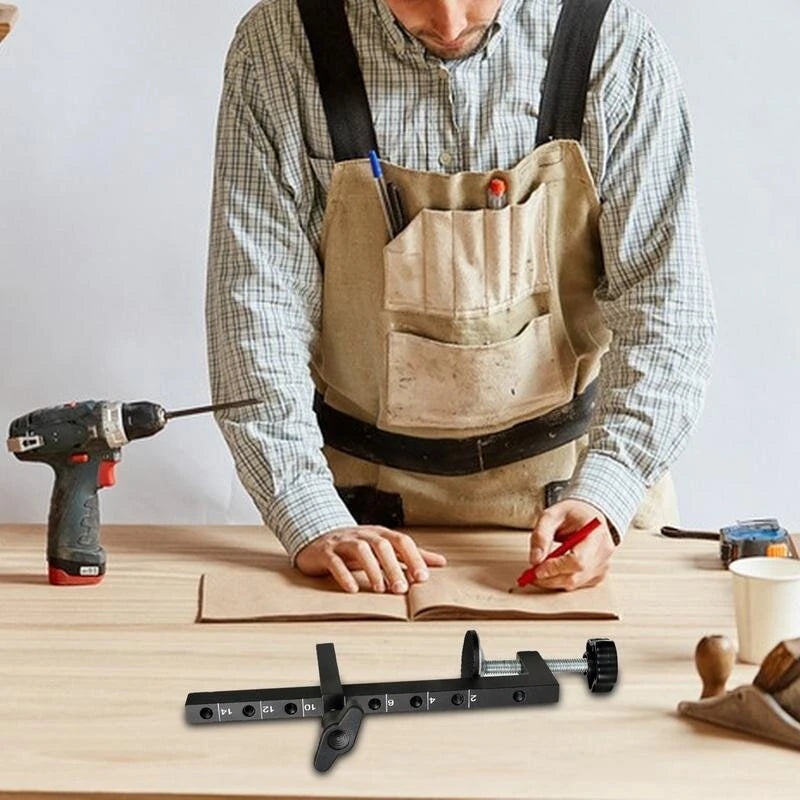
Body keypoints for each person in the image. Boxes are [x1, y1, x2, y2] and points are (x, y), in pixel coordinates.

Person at [205, 0, 715, 595]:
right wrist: (309, 512)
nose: (449, 25)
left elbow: (665, 310)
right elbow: (256, 310)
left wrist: (608, 492)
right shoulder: (279, 47)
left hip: (580, 495)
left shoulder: (615, 47)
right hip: (357, 515)